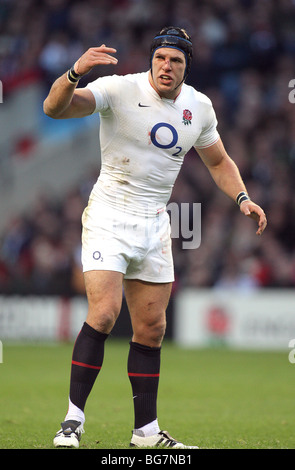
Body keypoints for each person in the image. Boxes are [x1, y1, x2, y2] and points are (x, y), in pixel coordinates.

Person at [43, 26, 267, 449]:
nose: (167, 66)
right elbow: (54, 109)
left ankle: (145, 432)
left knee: (151, 328)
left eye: (177, 60)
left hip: (155, 222)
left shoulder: (198, 107)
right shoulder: (118, 89)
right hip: (110, 213)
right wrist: (74, 72)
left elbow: (218, 161)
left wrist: (242, 197)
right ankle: (71, 422)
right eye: (161, 57)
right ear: (152, 59)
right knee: (105, 313)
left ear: (186, 66)